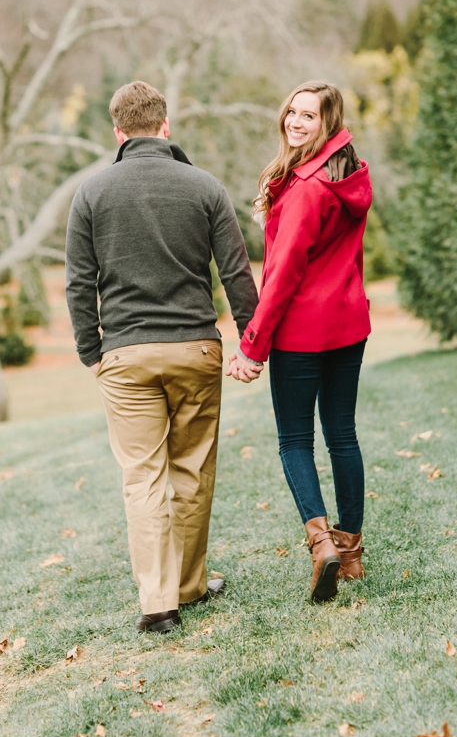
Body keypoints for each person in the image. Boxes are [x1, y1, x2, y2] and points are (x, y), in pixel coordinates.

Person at [65, 81, 259, 635]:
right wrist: (251, 338)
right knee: (192, 469)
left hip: (125, 354)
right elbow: (236, 271)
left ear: (118, 132)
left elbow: (80, 283)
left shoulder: (92, 193)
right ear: (166, 127)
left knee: (142, 478)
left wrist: (90, 350)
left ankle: (158, 603)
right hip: (195, 347)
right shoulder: (204, 186)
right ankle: (192, 585)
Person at [231, 81, 372, 604]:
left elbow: (284, 272)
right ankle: (351, 552)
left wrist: (252, 345)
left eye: (308, 116)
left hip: (302, 331)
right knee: (342, 435)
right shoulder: (348, 176)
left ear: (328, 125)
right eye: (292, 111)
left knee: (295, 440)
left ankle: (322, 547)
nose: (295, 121)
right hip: (347, 323)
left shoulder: (309, 187)